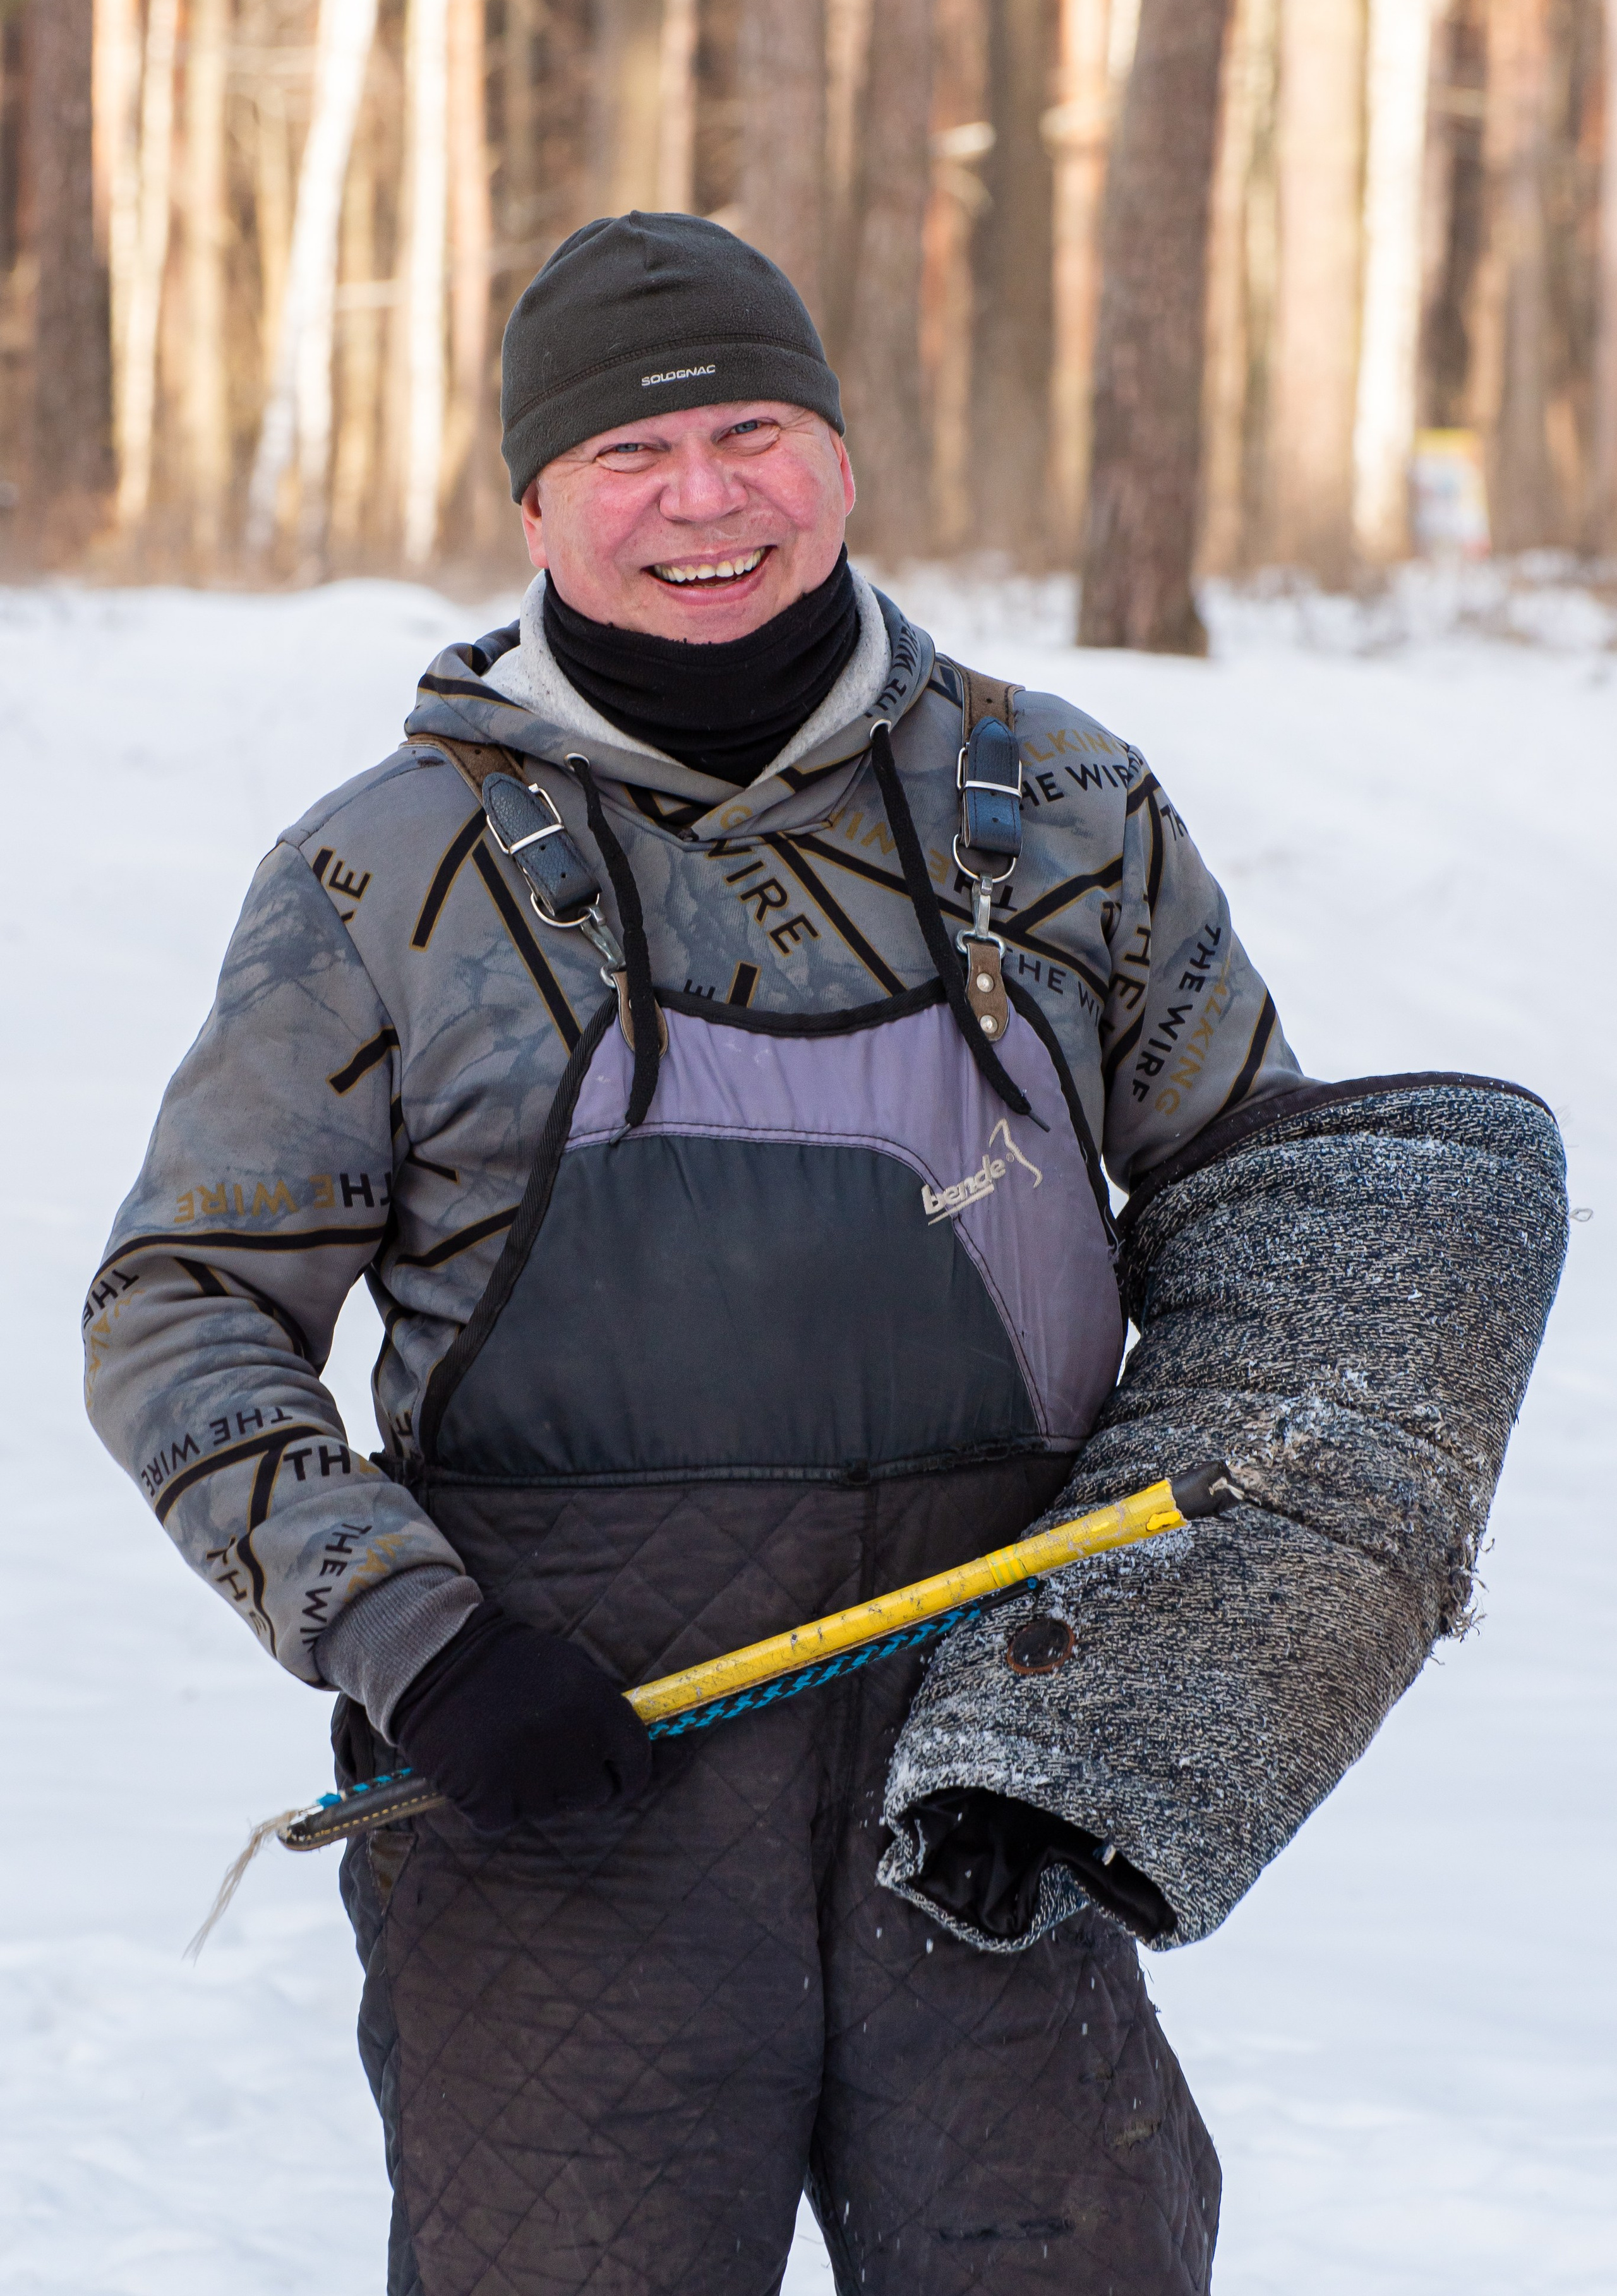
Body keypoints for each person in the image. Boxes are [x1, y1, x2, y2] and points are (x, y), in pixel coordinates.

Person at [83, 214, 1566, 2296]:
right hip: (567, 1778)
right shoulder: (378, 875)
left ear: (841, 464)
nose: (704, 498)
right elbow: (185, 1315)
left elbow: (1278, 1252)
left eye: (753, 431)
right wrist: (418, 1642)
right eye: (631, 453)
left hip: (992, 1771)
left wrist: (1156, 1692)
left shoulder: (1059, 807)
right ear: (534, 502)